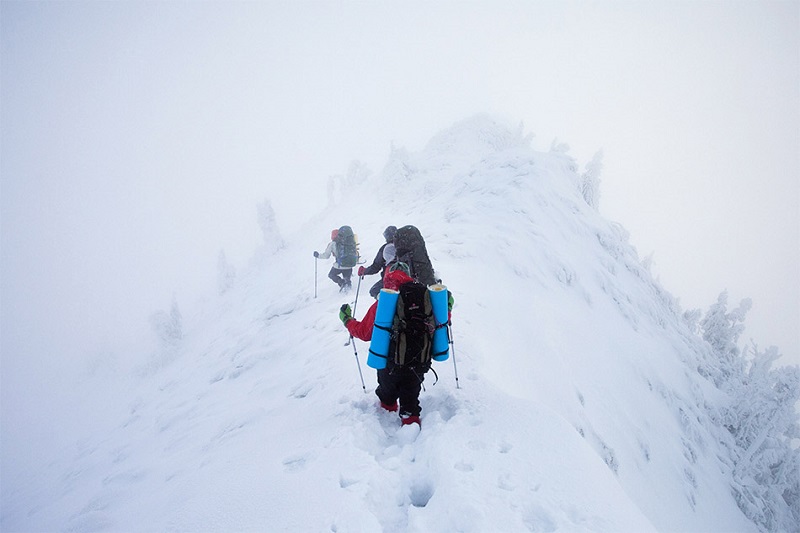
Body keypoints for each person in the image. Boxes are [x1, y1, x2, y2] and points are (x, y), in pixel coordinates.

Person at [339, 263, 452, 427]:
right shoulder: (425, 296)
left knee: (387, 395)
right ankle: (412, 426)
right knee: (411, 398)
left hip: (390, 364)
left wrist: (347, 320)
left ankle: (387, 414)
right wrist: (447, 306)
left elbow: (364, 333)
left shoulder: (386, 301)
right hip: (420, 360)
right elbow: (441, 321)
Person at [358, 225, 397, 298]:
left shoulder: (385, 248)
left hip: (389, 278)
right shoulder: (403, 246)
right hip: (405, 277)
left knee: (374, 291)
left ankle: (385, 304)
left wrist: (364, 271)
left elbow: (376, 267)